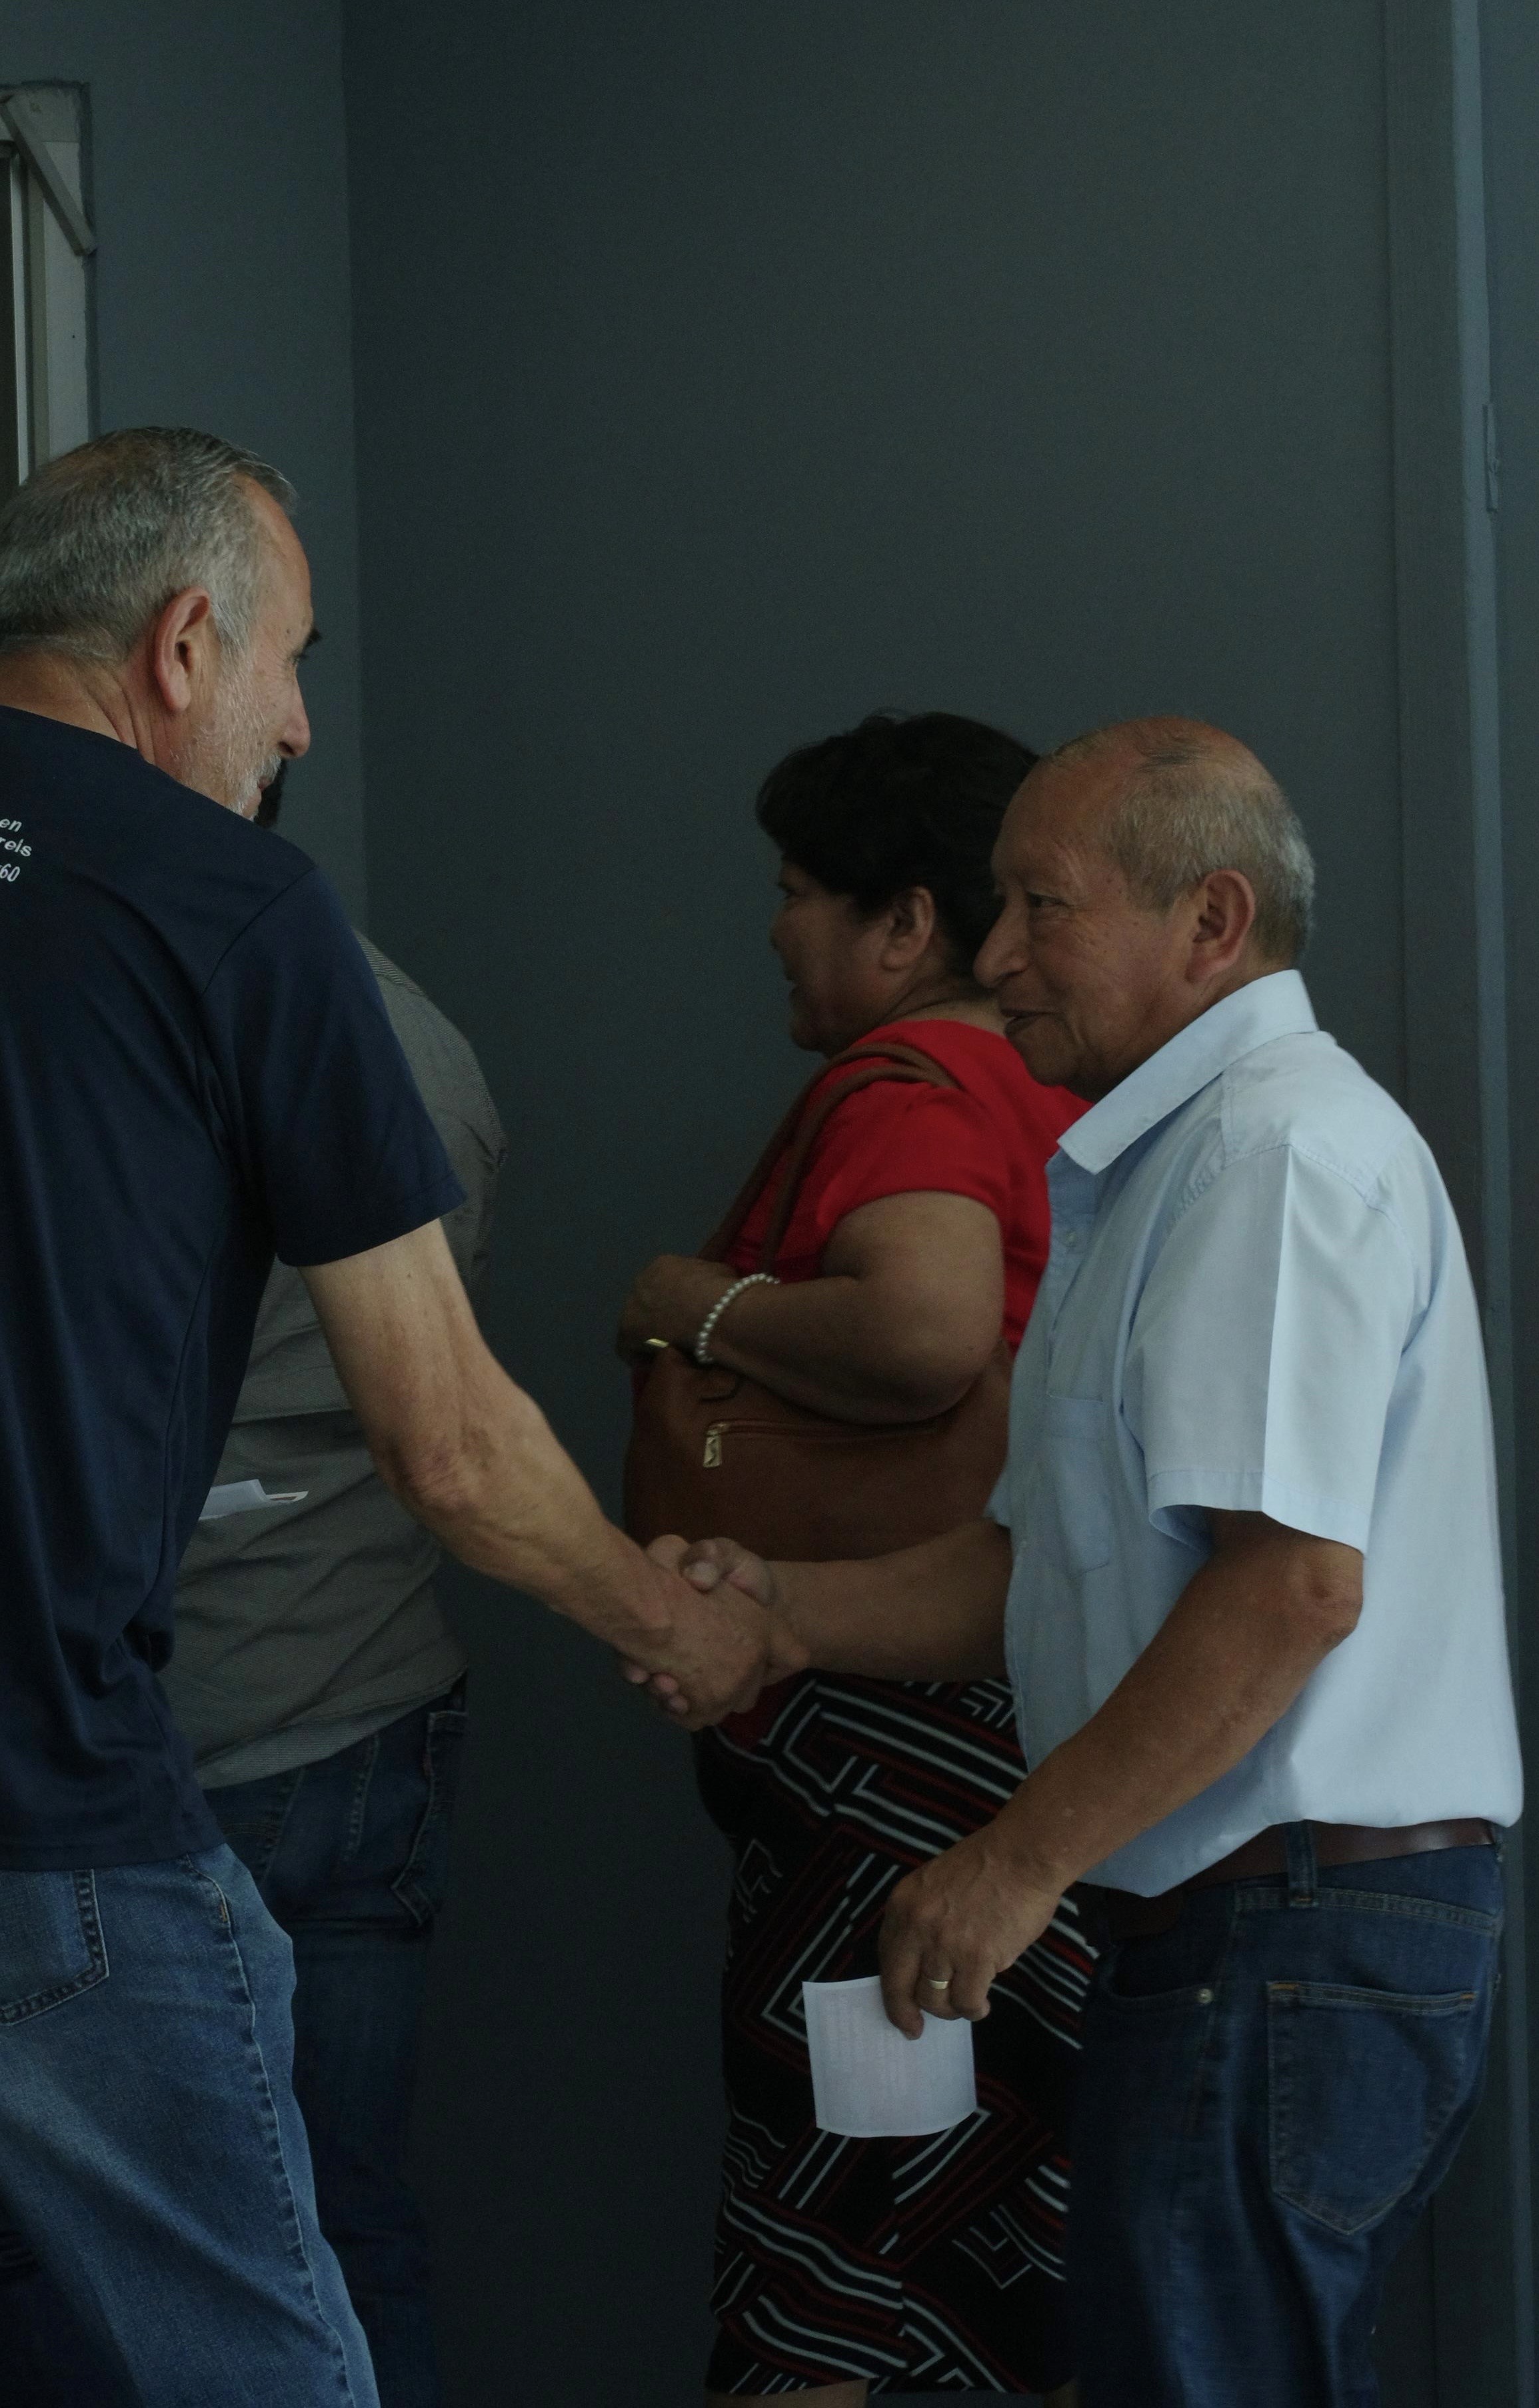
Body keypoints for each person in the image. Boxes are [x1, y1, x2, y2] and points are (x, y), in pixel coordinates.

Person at [0, 426, 783, 2408]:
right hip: (22, 1788)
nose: (293, 720)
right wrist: (671, 1619)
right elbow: (443, 1436)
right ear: (184, 642)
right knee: (255, 2362)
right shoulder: (231, 905)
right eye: (288, 659)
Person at [650, 719, 1523, 2408]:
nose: (991, 958)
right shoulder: (1174, 1160)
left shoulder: (1268, 1157)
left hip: (1282, 1928)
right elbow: (1048, 1572)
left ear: (1210, 923)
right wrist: (781, 1621)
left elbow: (1288, 1589)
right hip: (1248, 1934)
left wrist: (1008, 1865)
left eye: (1040, 909)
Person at [0, 776, 501, 2407]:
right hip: (365, 1712)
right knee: (337, 2218)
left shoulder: (94, 1033)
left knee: (0, 2225)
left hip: (144, 1743)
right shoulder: (415, 1035)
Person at [618, 712, 1089, 2405]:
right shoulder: (1048, 1085)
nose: (773, 926)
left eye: (801, 889)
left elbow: (925, 1328)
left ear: (907, 922)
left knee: (847, 2235)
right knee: (974, 2226)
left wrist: (693, 1302)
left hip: (887, 1763)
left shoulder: (909, 1084)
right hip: (989, 1726)